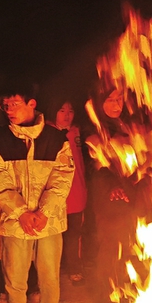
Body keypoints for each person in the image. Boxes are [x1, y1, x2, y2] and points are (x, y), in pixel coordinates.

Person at [0, 83, 75, 303]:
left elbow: (62, 178)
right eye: (5, 105)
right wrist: (21, 212)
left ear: (31, 104)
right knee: (15, 279)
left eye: (15, 104)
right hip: (14, 222)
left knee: (50, 276)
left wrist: (44, 212)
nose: (9, 110)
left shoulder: (57, 139)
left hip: (50, 221)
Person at [50, 97, 90, 286]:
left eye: (70, 111)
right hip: (54, 193)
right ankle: (50, 271)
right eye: (62, 110)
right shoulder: (47, 132)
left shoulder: (77, 132)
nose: (67, 115)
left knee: (74, 232)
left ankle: (74, 267)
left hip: (76, 191)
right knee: (52, 235)